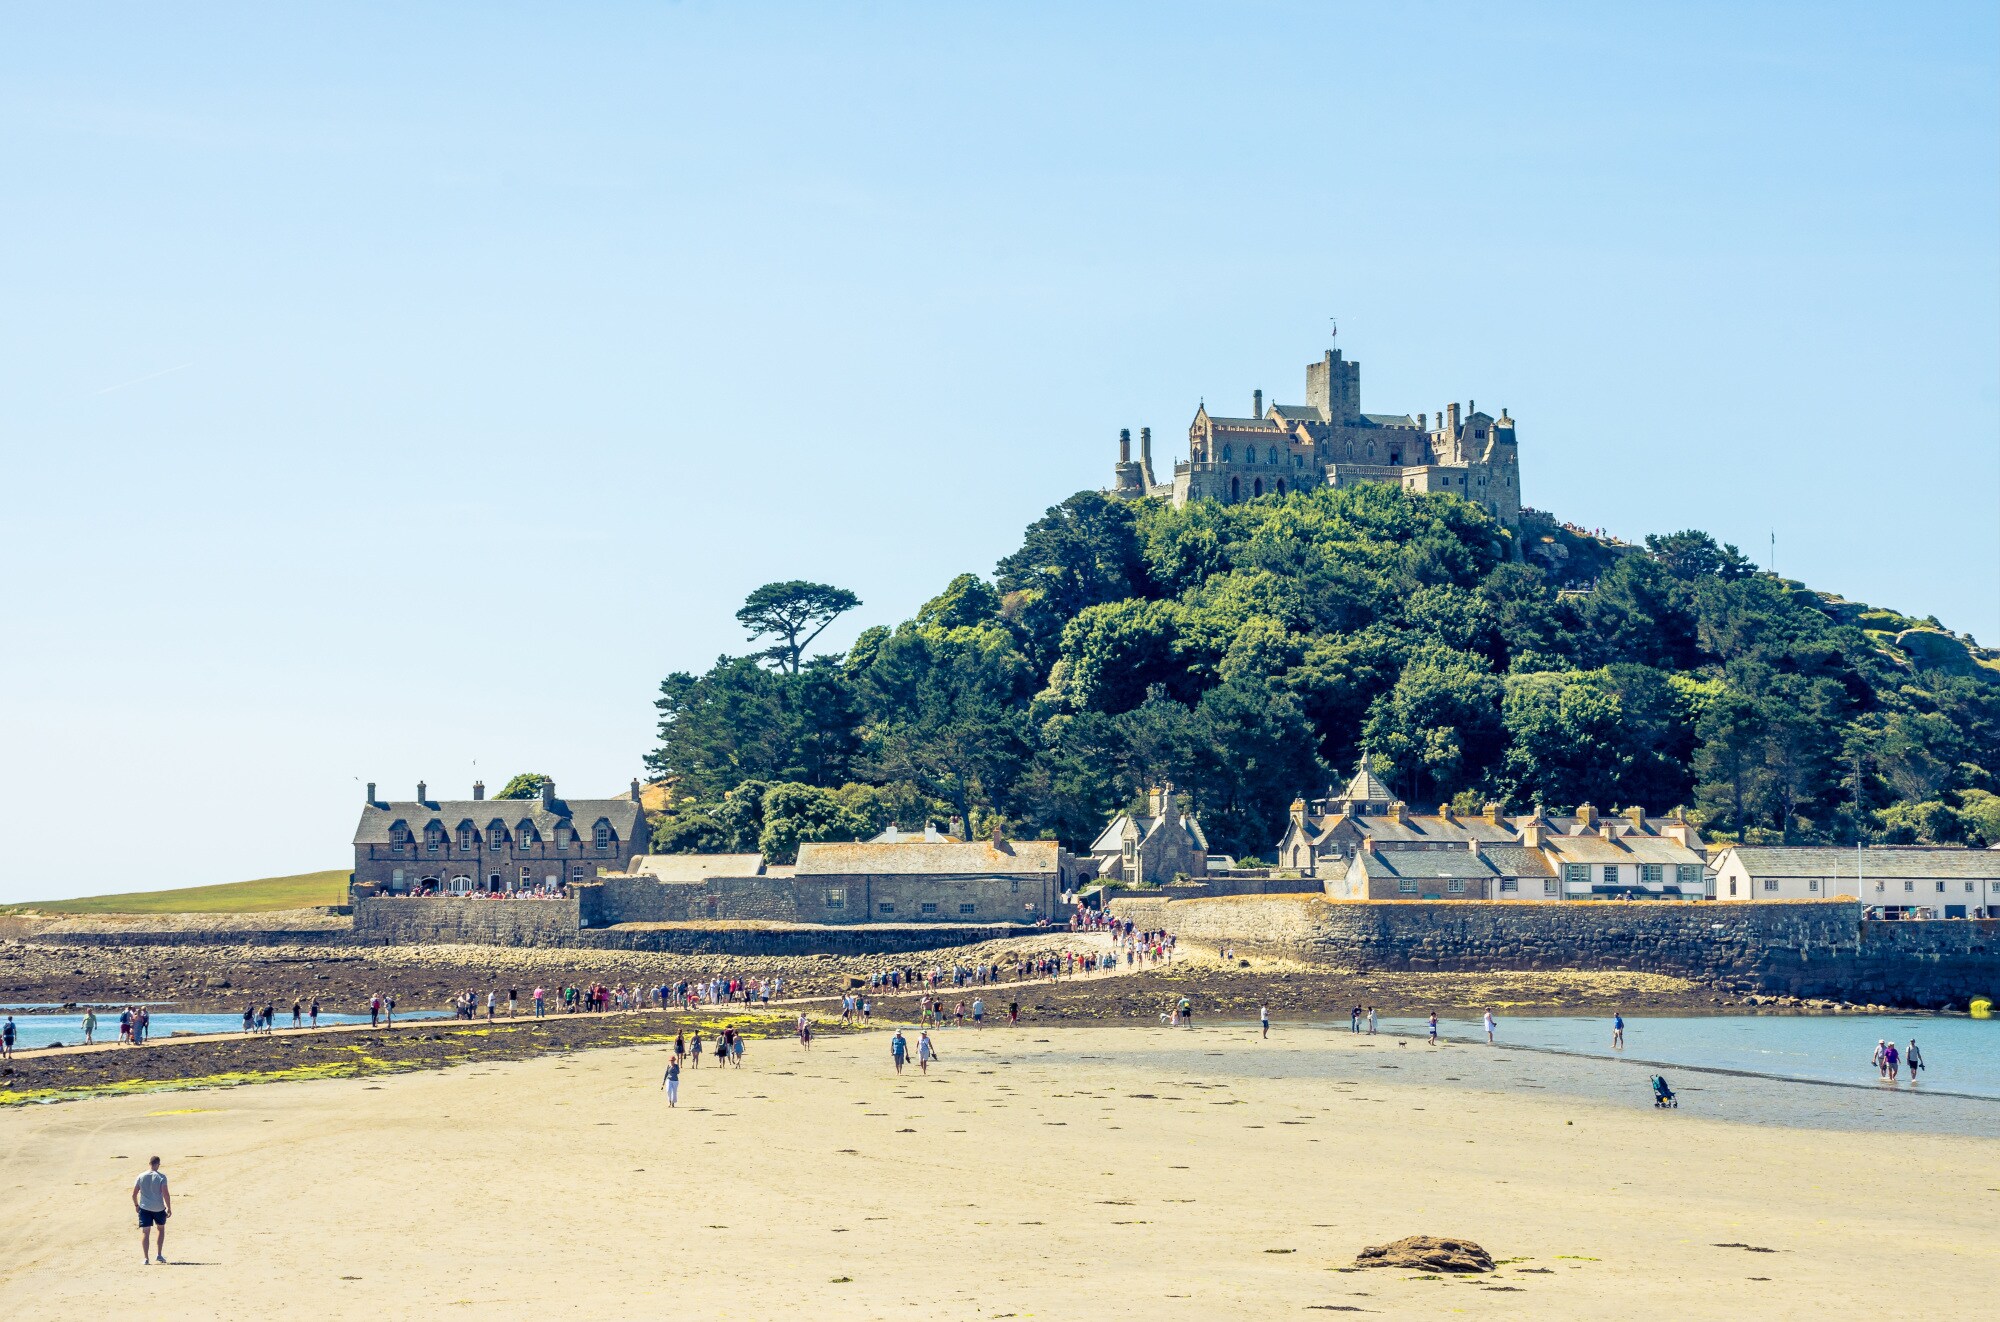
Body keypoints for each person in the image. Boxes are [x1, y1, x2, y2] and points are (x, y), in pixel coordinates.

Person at [133, 1156, 172, 1264]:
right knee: (160, 1229)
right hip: (158, 1208)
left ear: (149, 1163)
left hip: (144, 1207)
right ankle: (159, 1255)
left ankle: (146, 1258)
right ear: (157, 1164)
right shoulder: (161, 1177)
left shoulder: (140, 1176)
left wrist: (136, 1205)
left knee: (145, 1232)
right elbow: (166, 1194)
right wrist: (169, 1207)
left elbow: (134, 1194)